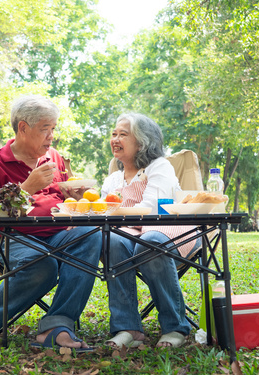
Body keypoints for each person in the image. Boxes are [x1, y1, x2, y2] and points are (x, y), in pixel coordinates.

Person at [0, 95, 101, 351]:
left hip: (56, 234)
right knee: (44, 264)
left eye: (53, 129)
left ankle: (57, 326)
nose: (51, 136)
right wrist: (26, 188)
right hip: (11, 238)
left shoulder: (55, 158)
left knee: (91, 234)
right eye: (45, 129)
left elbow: (61, 198)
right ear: (22, 127)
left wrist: (73, 198)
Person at [101, 113, 201, 348]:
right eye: (114, 134)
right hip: (134, 233)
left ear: (142, 141)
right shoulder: (113, 179)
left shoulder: (159, 167)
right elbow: (103, 213)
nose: (115, 139)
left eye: (123, 134)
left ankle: (175, 326)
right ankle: (128, 328)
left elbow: (150, 209)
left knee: (150, 240)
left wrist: (114, 215)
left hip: (173, 230)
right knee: (111, 241)